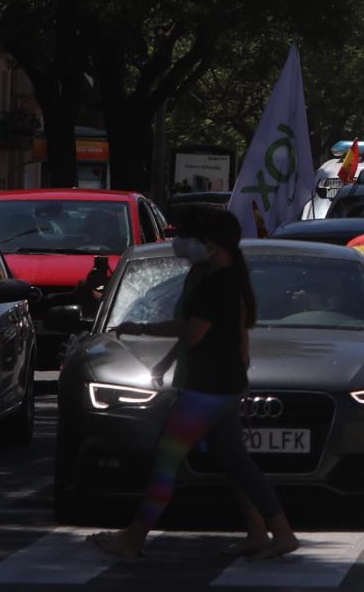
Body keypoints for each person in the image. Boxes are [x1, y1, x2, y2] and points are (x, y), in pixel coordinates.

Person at [91, 209, 298, 560]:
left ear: (212, 244)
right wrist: (167, 361)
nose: (179, 243)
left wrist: (142, 328)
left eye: (188, 236)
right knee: (236, 463)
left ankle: (134, 537)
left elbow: (193, 332)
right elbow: (211, 335)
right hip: (221, 385)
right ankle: (271, 533)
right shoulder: (221, 275)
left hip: (207, 388)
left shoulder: (218, 282)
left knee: (166, 459)